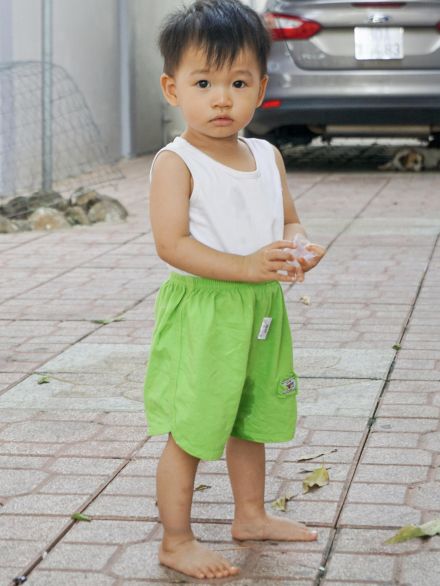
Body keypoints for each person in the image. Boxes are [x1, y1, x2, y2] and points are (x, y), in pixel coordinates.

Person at [143, 0, 326, 580]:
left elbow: (288, 220)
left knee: (251, 414)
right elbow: (172, 244)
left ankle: (250, 514)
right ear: (174, 89)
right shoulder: (177, 162)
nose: (222, 98)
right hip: (207, 310)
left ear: (261, 87)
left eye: (238, 81)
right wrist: (245, 267)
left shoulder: (268, 156)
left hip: (262, 307)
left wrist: (298, 248)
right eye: (204, 82)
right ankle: (176, 539)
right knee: (195, 425)